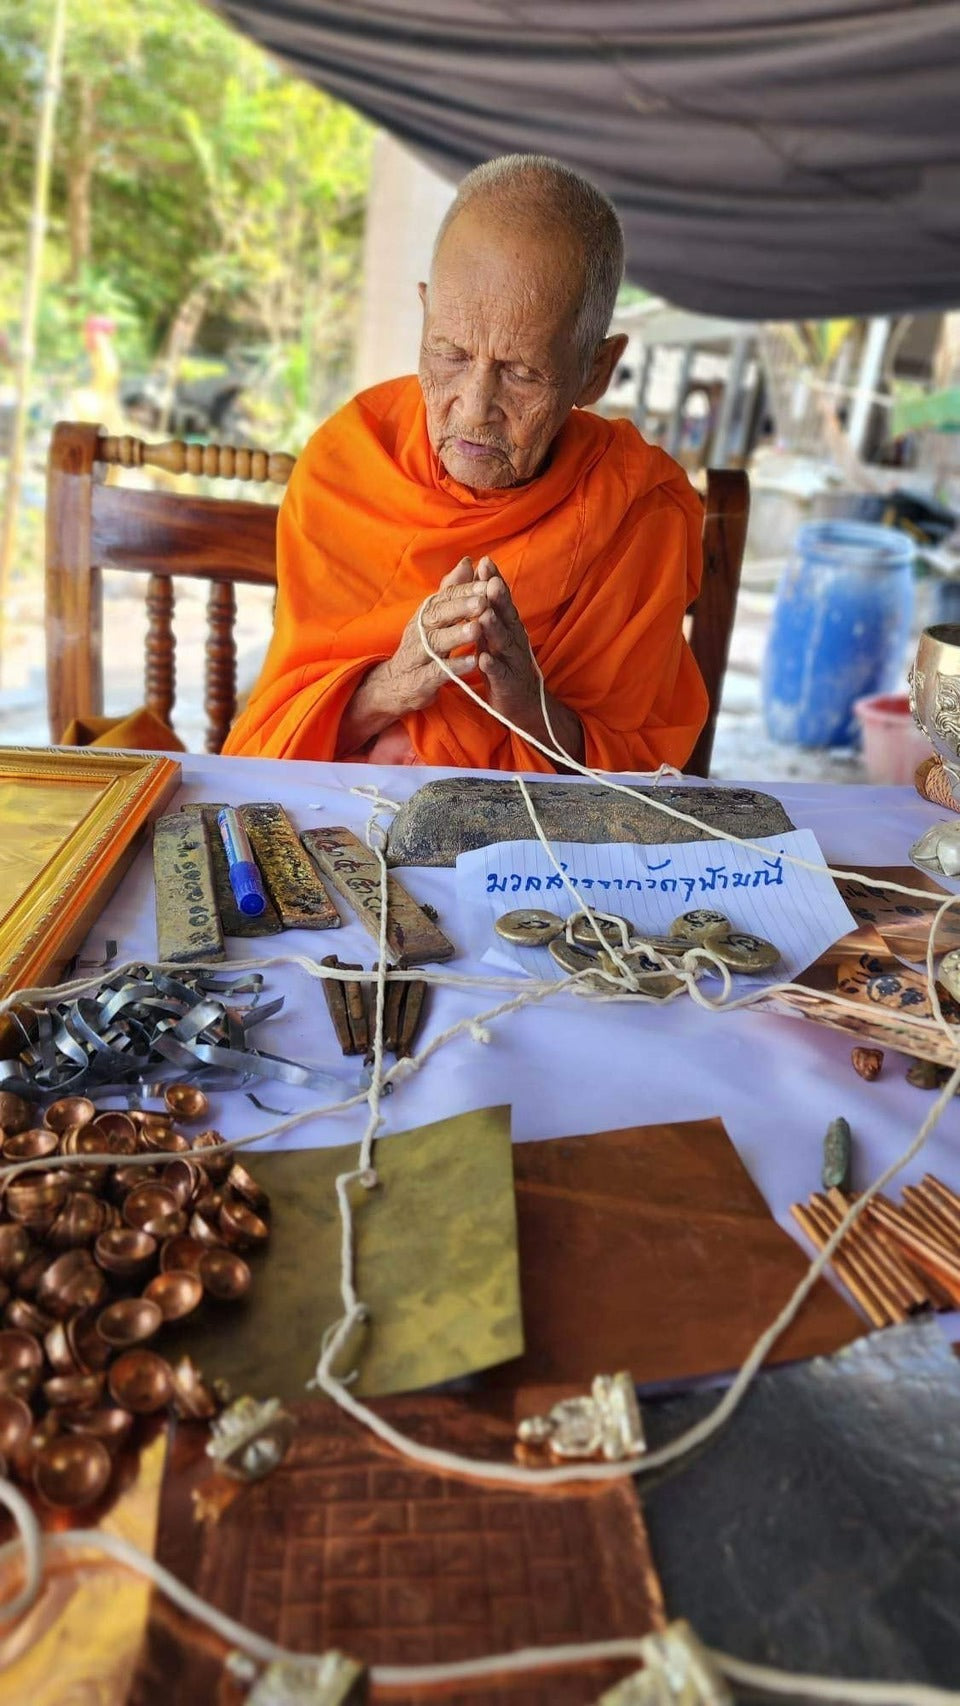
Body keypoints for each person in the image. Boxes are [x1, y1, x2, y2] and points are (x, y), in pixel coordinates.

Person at [224, 155, 708, 772]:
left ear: (595, 372)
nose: (476, 409)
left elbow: (639, 783)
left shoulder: (639, 509)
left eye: (522, 373)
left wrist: (527, 703)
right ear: (425, 317)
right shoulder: (346, 465)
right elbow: (270, 735)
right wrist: (391, 686)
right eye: (450, 355)